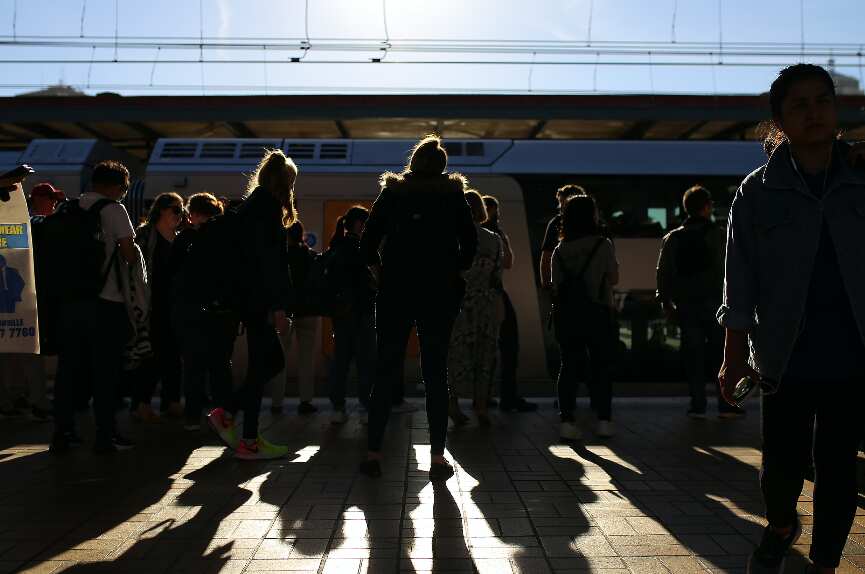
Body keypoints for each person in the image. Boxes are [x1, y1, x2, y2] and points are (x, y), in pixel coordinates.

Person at [718, 64, 865, 574]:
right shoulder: (757, 192)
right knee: (781, 464)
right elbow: (739, 280)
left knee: (838, 466)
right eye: (799, 105)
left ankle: (824, 563)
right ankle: (781, 525)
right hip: (785, 353)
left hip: (854, 351)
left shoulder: (861, 178)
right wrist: (733, 356)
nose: (813, 112)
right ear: (778, 120)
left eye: (822, 101)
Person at [359, 135, 477, 481]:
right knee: (436, 373)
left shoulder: (393, 193)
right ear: (442, 166)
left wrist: (381, 272)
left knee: (386, 370)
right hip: (439, 293)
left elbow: (367, 242)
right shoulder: (453, 196)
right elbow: (470, 243)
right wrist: (454, 269)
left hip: (396, 291)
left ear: (414, 163)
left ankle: (373, 454)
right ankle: (437, 459)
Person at [206, 149, 296, 460]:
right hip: (260, 302)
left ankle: (243, 432)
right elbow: (271, 264)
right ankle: (238, 426)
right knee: (270, 363)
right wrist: (279, 306)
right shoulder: (267, 210)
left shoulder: (249, 207)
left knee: (263, 365)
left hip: (246, 299)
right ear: (284, 183)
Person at [51, 160, 137, 454]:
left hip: (70, 303)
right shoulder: (114, 210)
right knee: (105, 372)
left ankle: (62, 433)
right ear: (117, 187)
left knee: (68, 370)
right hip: (105, 302)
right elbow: (129, 254)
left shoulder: (67, 208)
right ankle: (105, 435)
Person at [656, 185, 745, 420]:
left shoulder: (673, 238)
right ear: (706, 208)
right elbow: (731, 270)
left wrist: (666, 302)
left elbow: (663, 273)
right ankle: (726, 405)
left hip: (686, 305)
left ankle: (697, 405)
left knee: (693, 357)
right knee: (721, 356)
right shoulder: (719, 235)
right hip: (716, 304)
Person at [551, 195, 619, 441]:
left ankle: (567, 422)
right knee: (601, 366)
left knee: (568, 366)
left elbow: (556, 286)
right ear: (592, 216)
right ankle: (604, 421)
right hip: (598, 312)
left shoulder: (559, 250)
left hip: (568, 315)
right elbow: (614, 278)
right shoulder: (603, 245)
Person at [170, 192, 227, 431]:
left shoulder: (184, 239)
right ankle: (222, 417)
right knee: (219, 367)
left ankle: (193, 416)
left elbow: (173, 275)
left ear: (192, 214)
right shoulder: (223, 239)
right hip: (218, 312)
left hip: (189, 311)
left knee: (193, 367)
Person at [448, 191, 503, 426]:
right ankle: (481, 406)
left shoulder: (449, 238)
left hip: (457, 304)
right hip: (485, 304)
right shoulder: (493, 239)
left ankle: (453, 404)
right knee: (484, 355)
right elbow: (497, 276)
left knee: (455, 355)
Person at [131, 193, 185, 421]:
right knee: (150, 355)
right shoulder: (146, 235)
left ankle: (172, 401)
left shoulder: (180, 238)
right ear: (161, 210)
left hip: (174, 306)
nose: (179, 215)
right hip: (150, 306)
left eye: (181, 210)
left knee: (173, 355)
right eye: (176, 210)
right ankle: (141, 403)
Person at [481, 194, 537, 413]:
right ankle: (507, 395)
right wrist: (502, 238)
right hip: (494, 293)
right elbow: (508, 262)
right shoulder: (493, 235)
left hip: (472, 295)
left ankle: (482, 396)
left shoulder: (464, 232)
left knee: (481, 346)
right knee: (508, 343)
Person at [326, 206, 377, 424]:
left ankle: (338, 407)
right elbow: (370, 280)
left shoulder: (335, 247)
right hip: (361, 312)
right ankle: (366, 405)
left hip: (341, 314)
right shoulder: (360, 248)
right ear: (358, 224)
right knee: (366, 362)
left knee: (341, 361)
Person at [270, 220, 320, 416]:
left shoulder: (280, 257)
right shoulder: (311, 256)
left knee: (279, 359)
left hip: (285, 313)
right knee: (306, 359)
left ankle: (277, 403)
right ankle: (305, 401)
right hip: (308, 312)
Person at [539, 184, 587, 290]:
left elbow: (546, 257)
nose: (560, 207)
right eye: (560, 203)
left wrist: (547, 285)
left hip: (564, 287)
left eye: (563, 203)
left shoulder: (556, 224)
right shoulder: (597, 226)